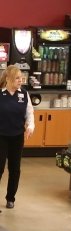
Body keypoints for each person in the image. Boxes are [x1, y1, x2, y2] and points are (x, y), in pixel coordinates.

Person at [0, 65, 34, 211]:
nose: (21, 80)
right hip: (1, 136)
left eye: (21, 78)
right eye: (17, 78)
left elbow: (30, 113)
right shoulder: (0, 94)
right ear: (8, 79)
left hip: (17, 136)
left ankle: (10, 198)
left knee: (15, 169)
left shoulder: (24, 94)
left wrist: (30, 127)